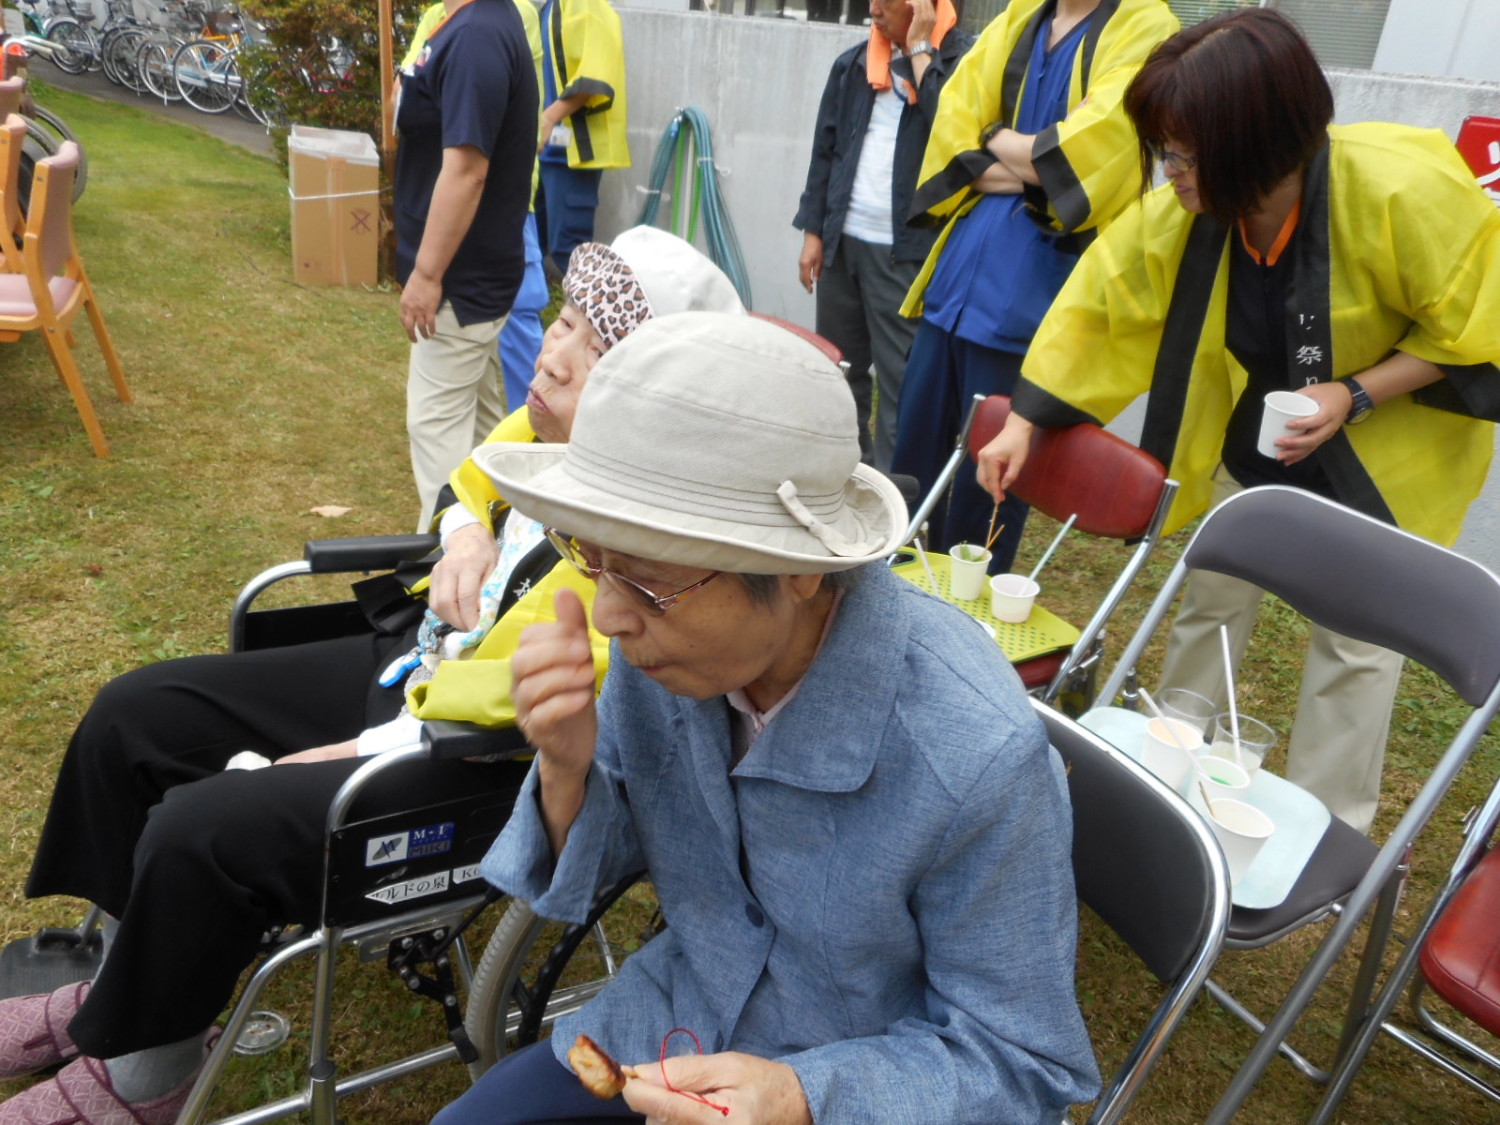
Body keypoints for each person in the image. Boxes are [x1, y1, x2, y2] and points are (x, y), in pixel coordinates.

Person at [0, 229, 743, 1125]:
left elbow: (532, 710)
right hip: (414, 663)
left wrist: (350, 749)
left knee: (200, 830)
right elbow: (473, 477)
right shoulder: (546, 428)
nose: (553, 355)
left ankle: (143, 1078)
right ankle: (119, 990)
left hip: (470, 756)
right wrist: (462, 532)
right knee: (135, 716)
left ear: (645, 408)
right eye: (563, 323)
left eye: (592, 349)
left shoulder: (638, 564)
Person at [432, 312, 1098, 1125]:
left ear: (798, 571)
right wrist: (569, 767)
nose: (607, 615)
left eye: (645, 580)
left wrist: (802, 1097)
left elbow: (1022, 1062)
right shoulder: (665, 651)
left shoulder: (975, 756)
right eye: (591, 558)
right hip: (668, 1020)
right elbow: (612, 847)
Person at [974, 9, 1500, 834]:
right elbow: (1102, 307)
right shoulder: (1193, 210)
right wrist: (1026, 420)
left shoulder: (1401, 190)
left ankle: (1322, 833)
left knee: (1356, 647)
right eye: (1165, 150)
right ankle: (1172, 783)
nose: (1170, 172)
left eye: (1185, 153)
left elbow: (1478, 320)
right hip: (1262, 434)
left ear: (1256, 143)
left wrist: (1354, 392)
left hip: (1385, 453)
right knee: (1211, 594)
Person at [889, 0, 1177, 573]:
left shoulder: (1146, 26)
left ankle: (966, 613)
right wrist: (1027, 155)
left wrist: (993, 136)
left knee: (992, 478)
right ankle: (890, 586)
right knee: (912, 464)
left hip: (1035, 295)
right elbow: (954, 123)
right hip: (956, 284)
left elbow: (1088, 158)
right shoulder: (1023, 14)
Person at [792, 0, 972, 470]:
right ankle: (842, 477)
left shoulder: (962, 64)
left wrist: (920, 49)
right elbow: (826, 151)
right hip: (842, 244)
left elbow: (954, 135)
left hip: (905, 252)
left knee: (902, 385)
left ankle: (896, 495)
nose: (872, 7)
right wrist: (814, 232)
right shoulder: (853, 65)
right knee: (838, 374)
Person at [398, 0, 539, 530]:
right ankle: (502, 548)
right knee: (482, 436)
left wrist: (427, 275)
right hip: (473, 273)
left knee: (438, 436)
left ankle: (447, 561)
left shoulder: (478, 33)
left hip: (460, 280)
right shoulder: (468, 21)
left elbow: (466, 171)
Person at [535, 0, 629, 278]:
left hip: (572, 151)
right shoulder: (551, 6)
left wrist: (547, 119)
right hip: (546, 150)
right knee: (533, 244)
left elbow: (593, 76)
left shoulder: (585, 4)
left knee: (570, 250)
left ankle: (595, 305)